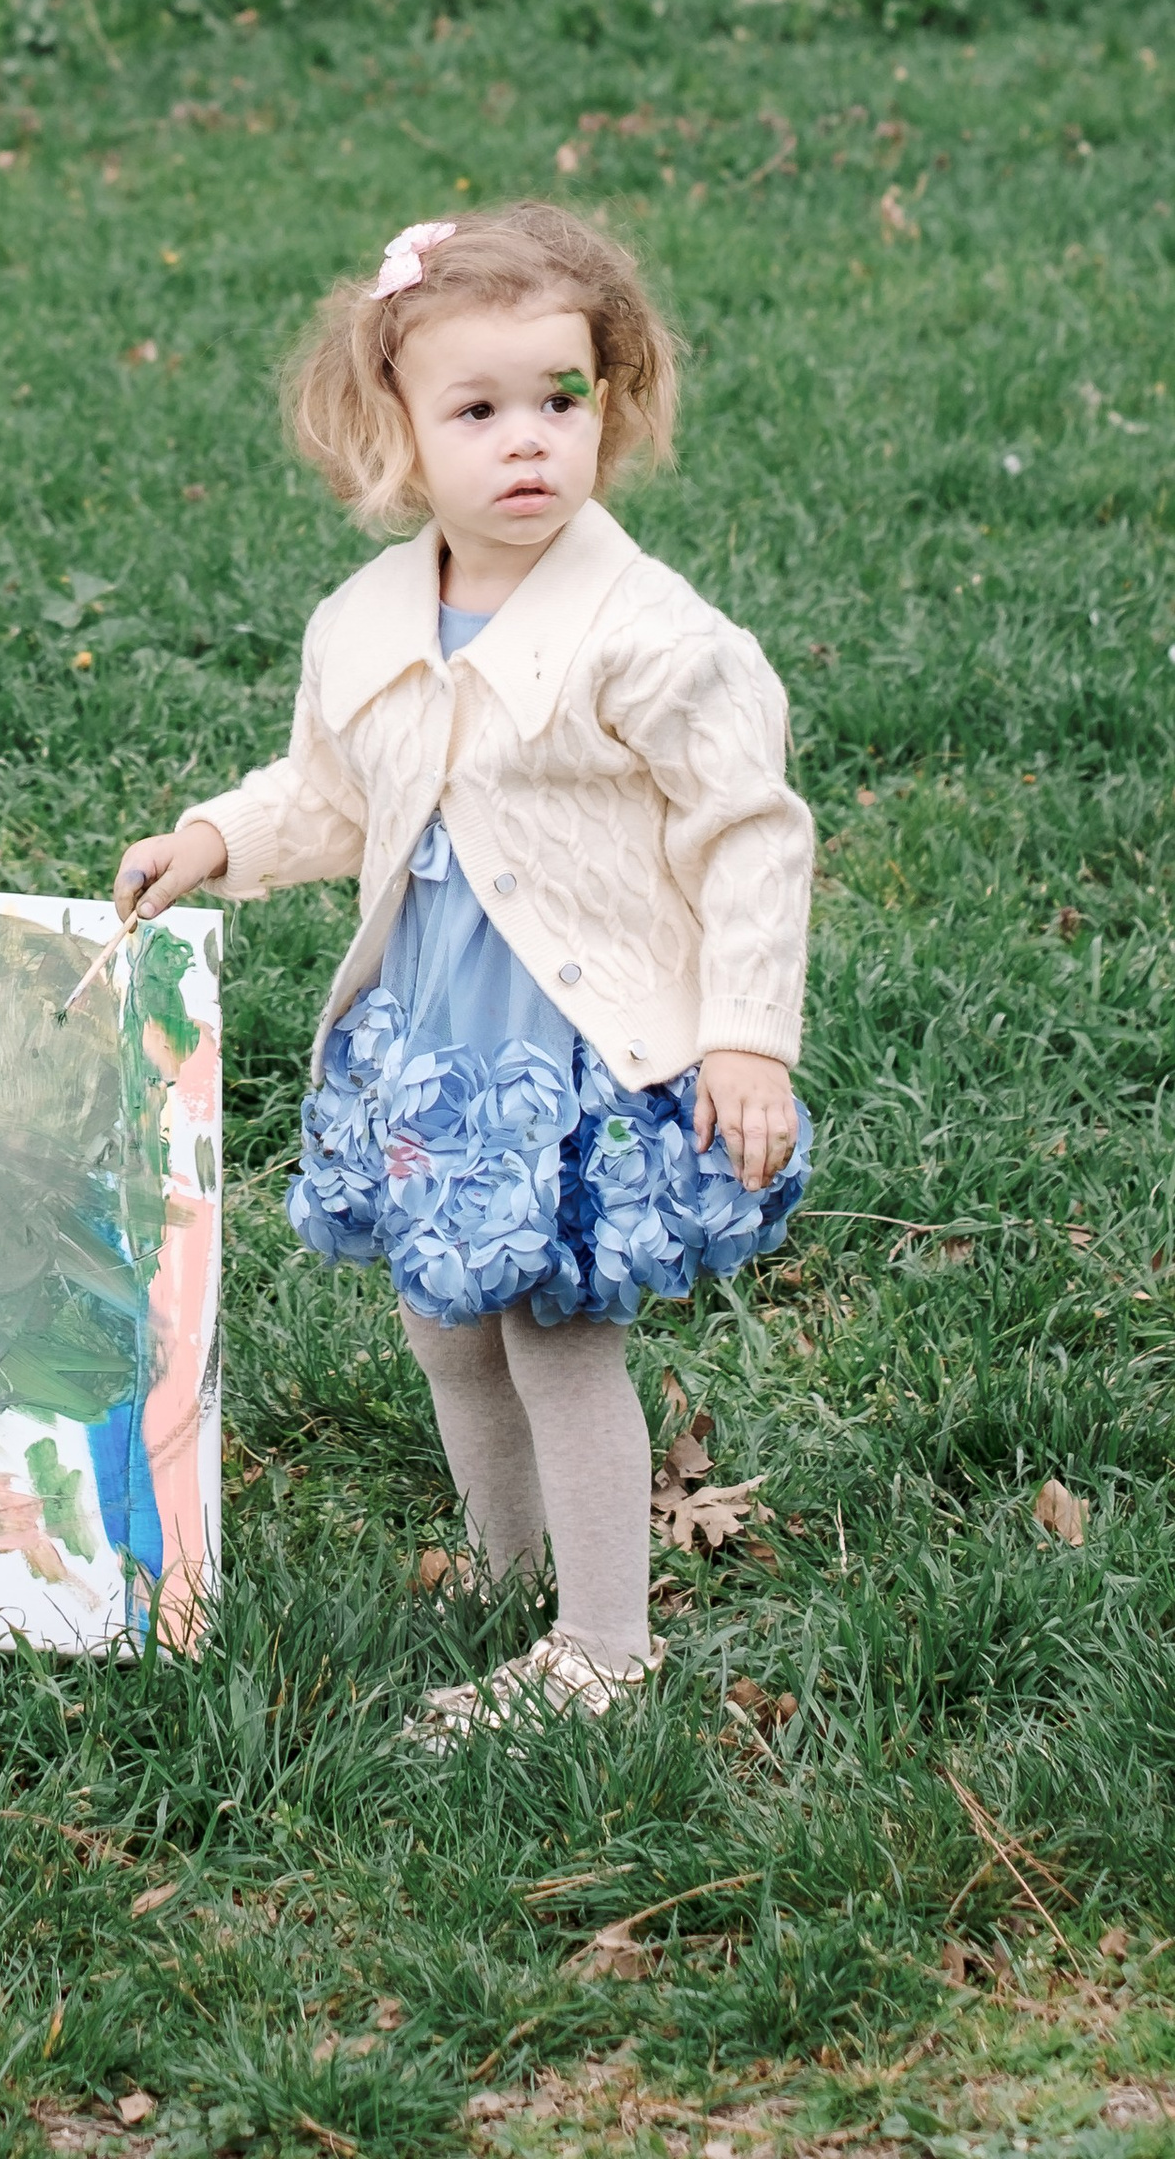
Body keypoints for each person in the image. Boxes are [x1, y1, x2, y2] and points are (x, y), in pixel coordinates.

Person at [114, 202, 812, 1741]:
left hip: (574, 1041)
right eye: (478, 409)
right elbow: (337, 791)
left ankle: (603, 1644)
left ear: (611, 403)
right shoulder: (366, 620)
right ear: (398, 431)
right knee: (445, 1317)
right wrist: (218, 841)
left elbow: (749, 835)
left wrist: (749, 1038)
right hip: (434, 1033)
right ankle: (514, 1577)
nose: (528, 443)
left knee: (553, 1324)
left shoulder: (652, 637)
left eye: (563, 398)